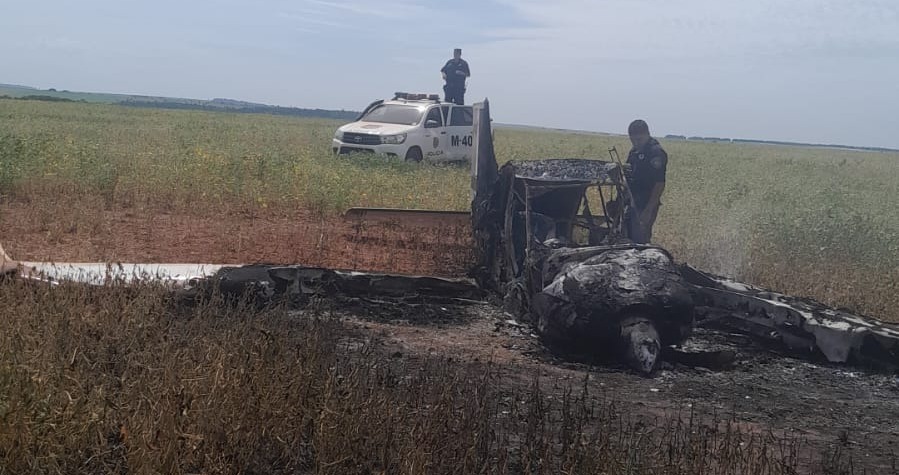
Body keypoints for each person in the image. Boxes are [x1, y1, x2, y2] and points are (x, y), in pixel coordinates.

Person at [625, 119, 667, 243]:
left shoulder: (656, 152)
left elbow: (659, 183)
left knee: (640, 238)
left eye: (639, 139)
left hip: (646, 202)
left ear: (647, 134)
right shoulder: (634, 151)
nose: (636, 143)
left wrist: (648, 210)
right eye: (633, 140)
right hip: (632, 200)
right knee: (626, 235)